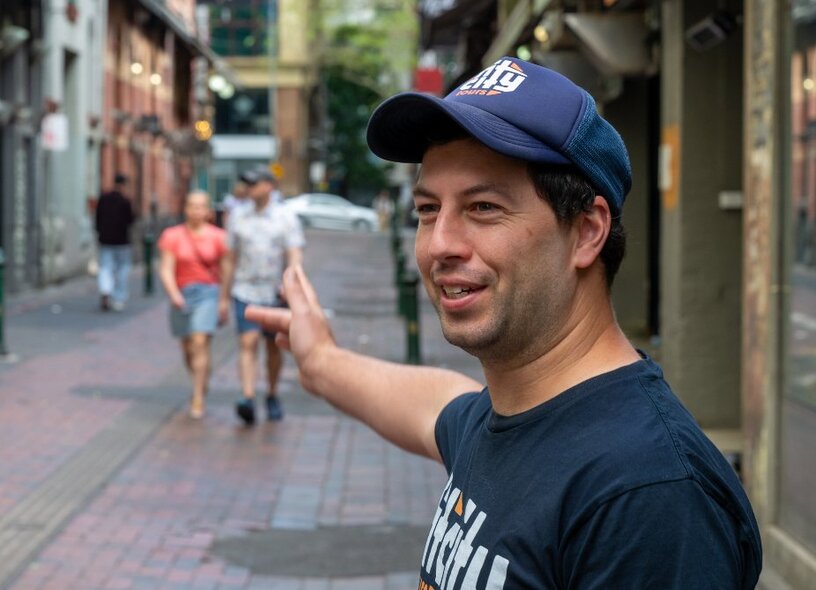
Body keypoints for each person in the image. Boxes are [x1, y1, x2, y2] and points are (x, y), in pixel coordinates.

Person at [245, 57, 762, 588]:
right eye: (427, 210)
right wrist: (320, 358)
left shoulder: (648, 494)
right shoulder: (508, 417)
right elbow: (434, 405)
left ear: (586, 232)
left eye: (484, 207)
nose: (439, 244)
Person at [227, 168, 304, 425]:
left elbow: (294, 253)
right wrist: (223, 293)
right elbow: (229, 256)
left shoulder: (285, 217)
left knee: (273, 346)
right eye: (246, 183)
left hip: (274, 292)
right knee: (248, 343)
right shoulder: (237, 215)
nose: (249, 188)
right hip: (244, 289)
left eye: (254, 183)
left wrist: (290, 284)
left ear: (269, 186)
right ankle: (247, 396)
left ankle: (271, 394)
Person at [158, 191, 231, 419]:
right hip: (182, 293)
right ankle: (201, 377)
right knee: (187, 348)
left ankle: (198, 396)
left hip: (208, 292)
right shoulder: (172, 235)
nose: (196, 211)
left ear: (208, 211)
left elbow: (227, 270)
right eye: (192, 206)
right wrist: (174, 294)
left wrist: (223, 299)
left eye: (201, 207)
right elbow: (166, 268)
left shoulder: (219, 237)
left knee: (200, 341)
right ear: (185, 209)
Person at [95, 173, 135, 311]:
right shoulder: (125, 201)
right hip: (122, 241)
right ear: (124, 185)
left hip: (105, 240)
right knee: (122, 269)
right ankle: (119, 298)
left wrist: (100, 232)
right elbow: (131, 220)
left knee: (105, 267)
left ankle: (105, 290)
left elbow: (97, 218)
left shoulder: (104, 198)